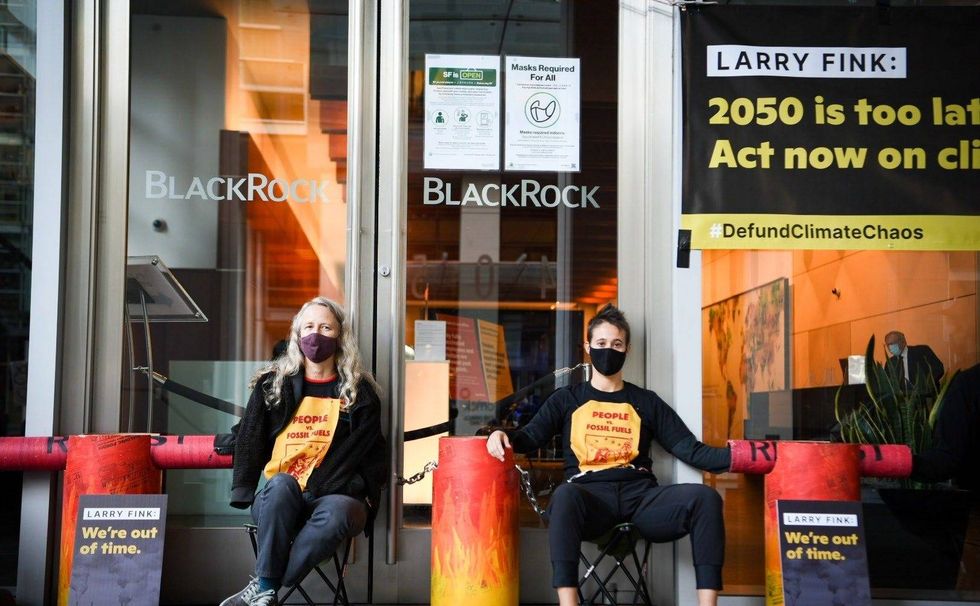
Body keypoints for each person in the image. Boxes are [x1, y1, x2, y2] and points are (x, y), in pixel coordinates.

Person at [486, 304, 730, 606]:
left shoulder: (645, 401)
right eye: (601, 344)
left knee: (706, 498)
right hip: (590, 500)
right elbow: (529, 436)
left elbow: (689, 449)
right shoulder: (567, 399)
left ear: (626, 349)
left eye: (616, 344)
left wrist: (746, 457)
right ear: (587, 347)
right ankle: (568, 602)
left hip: (641, 499)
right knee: (564, 495)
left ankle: (708, 604)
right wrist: (500, 433)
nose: (608, 350)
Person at [221, 297, 386, 606]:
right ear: (297, 334)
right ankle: (268, 585)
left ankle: (266, 585)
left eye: (326, 327)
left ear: (340, 336)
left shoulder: (359, 393)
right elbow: (250, 434)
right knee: (282, 483)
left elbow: (373, 454)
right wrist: (243, 487)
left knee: (338, 510)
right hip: (280, 500)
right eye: (308, 326)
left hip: (337, 496)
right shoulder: (274, 385)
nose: (316, 335)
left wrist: (360, 489)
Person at [912, 362, 980, 489]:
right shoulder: (968, 385)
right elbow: (949, 457)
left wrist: (902, 463)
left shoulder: (967, 384)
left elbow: (949, 458)